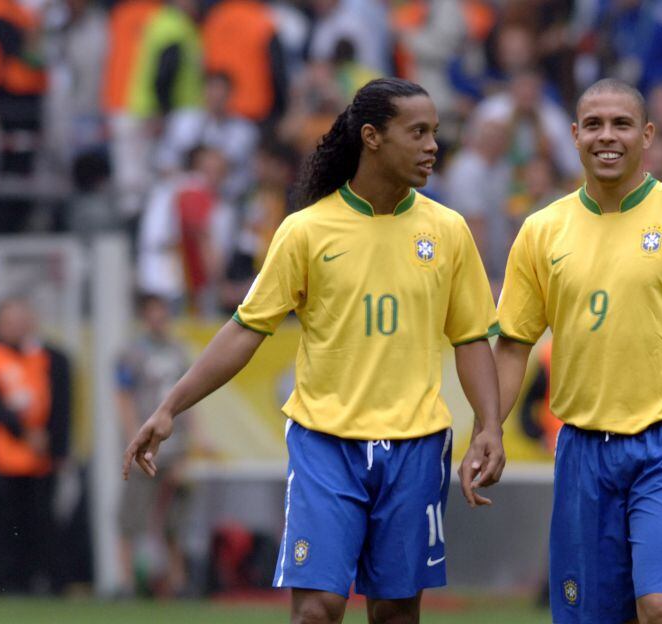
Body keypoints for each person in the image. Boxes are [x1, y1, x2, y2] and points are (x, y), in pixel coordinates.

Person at [123, 78, 504, 624]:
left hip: (417, 446)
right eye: (418, 132)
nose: (432, 146)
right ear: (372, 137)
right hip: (326, 445)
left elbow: (470, 338)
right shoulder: (306, 230)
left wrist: (489, 426)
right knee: (316, 612)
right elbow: (245, 329)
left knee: (395, 613)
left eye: (434, 132)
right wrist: (170, 407)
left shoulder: (448, 231)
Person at [494, 78, 662, 624]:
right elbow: (513, 345)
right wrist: (487, 429)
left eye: (621, 124)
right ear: (575, 135)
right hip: (582, 449)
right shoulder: (542, 231)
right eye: (594, 125)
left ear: (647, 135)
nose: (606, 136)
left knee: (661, 607)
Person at [0, 298, 71, 594]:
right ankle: (2, 583)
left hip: (34, 460)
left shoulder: (40, 358)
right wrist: (24, 432)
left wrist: (54, 444)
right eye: (10, 321)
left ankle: (37, 581)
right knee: (0, 528)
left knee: (35, 523)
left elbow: (53, 405)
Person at [116, 295, 193, 597]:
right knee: (131, 516)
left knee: (175, 519)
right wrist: (132, 434)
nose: (159, 319)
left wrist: (193, 439)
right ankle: (126, 582)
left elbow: (192, 399)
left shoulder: (178, 352)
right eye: (153, 313)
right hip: (145, 443)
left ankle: (178, 582)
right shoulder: (131, 354)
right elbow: (123, 396)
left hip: (175, 445)